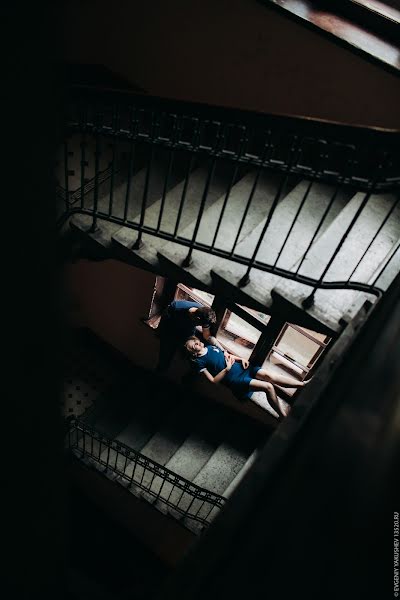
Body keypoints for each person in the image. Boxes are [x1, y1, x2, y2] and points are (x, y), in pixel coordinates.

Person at [184, 336, 310, 419]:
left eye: (195, 341)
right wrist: (227, 369)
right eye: (193, 345)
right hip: (234, 378)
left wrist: (241, 358)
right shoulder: (199, 362)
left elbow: (228, 356)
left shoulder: (211, 347)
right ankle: (283, 416)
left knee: (268, 375)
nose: (196, 343)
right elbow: (213, 381)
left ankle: (303, 385)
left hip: (240, 367)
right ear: (192, 352)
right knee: (268, 387)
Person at [156, 300, 218, 372]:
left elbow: (206, 335)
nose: (202, 326)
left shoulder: (204, 314)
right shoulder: (177, 308)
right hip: (170, 332)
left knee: (193, 356)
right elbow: (164, 323)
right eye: (200, 324)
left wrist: (221, 349)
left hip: (186, 333)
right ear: (197, 319)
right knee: (165, 358)